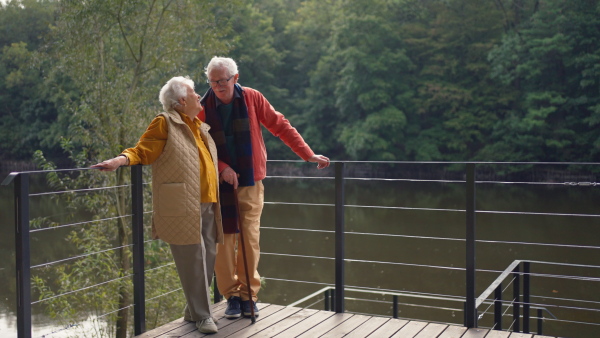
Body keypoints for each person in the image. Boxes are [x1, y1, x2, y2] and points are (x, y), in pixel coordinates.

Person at [199, 56, 330, 319]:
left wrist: (308, 154)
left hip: (251, 180)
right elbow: (199, 144)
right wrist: (222, 166)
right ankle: (231, 296)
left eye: (222, 81)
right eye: (213, 82)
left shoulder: (252, 98)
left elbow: (280, 125)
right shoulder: (203, 107)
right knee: (223, 242)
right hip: (219, 184)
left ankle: (249, 296)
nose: (218, 86)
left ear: (235, 78)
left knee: (250, 239)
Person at [92, 76, 223, 334]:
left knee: (208, 257)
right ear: (182, 101)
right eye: (194, 93)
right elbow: (143, 151)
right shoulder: (165, 122)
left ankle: (193, 309)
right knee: (193, 259)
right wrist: (120, 160)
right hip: (183, 204)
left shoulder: (199, 126)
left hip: (208, 201)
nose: (199, 96)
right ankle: (203, 315)